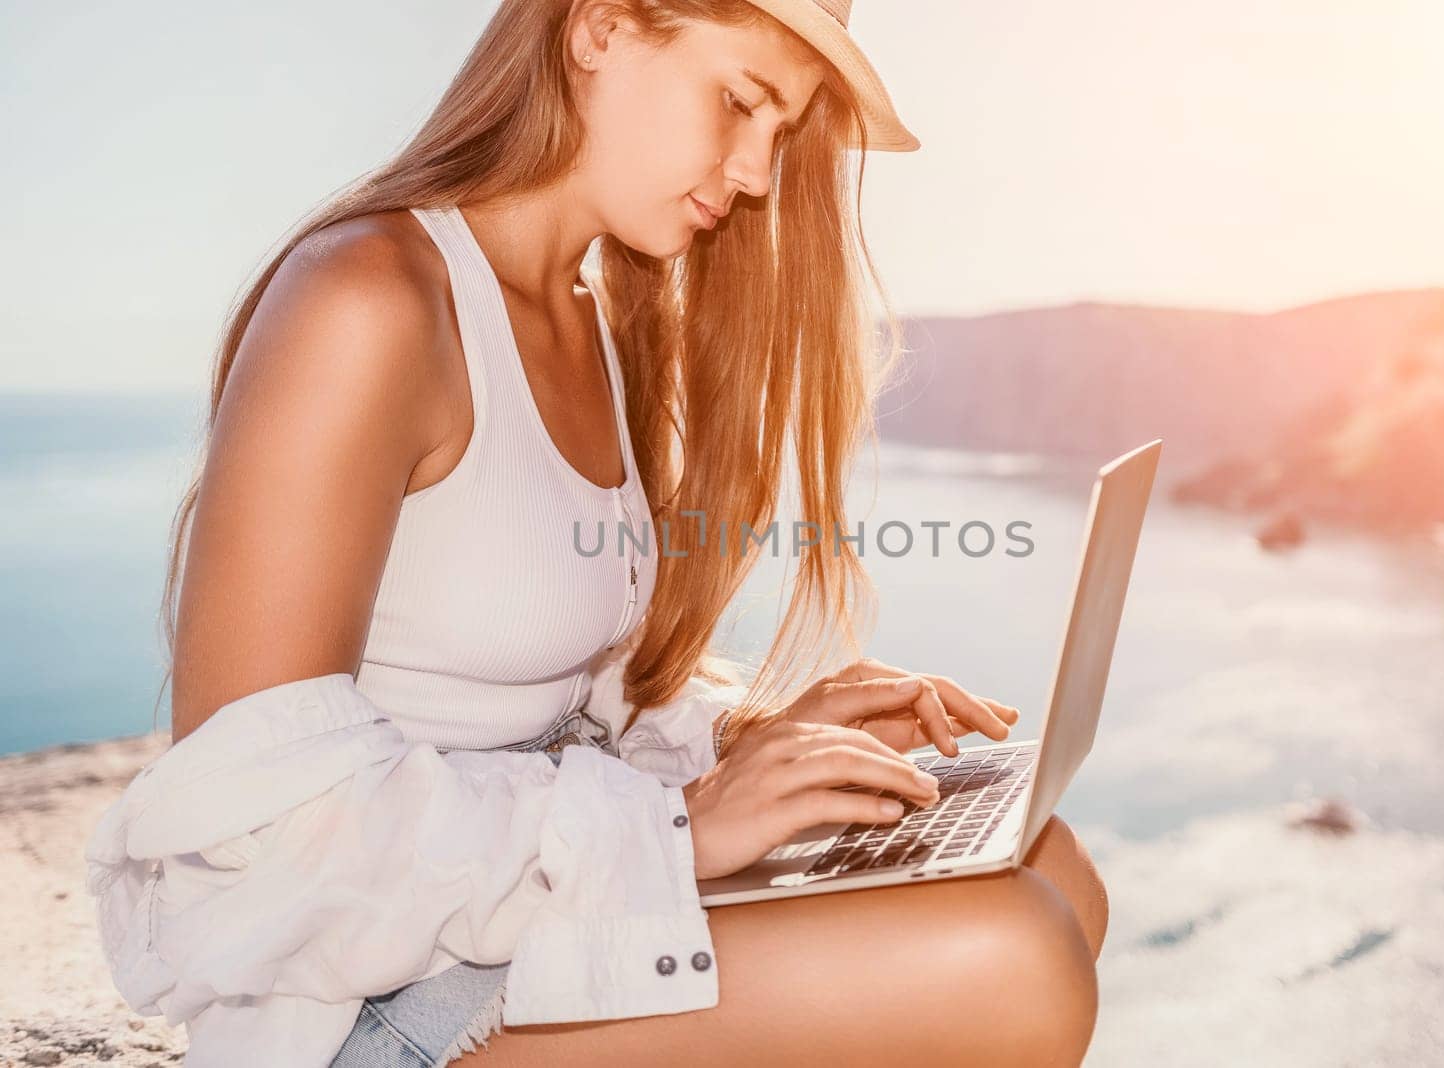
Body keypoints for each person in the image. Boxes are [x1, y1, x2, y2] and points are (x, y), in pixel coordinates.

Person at [89, 0, 1108, 1064]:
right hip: (370, 999)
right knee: (1012, 955)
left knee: (1053, 871)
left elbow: (558, 690)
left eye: (779, 129)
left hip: (524, 927)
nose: (758, 171)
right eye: (740, 101)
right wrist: (682, 829)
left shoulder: (591, 317)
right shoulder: (368, 298)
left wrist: (755, 739)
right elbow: (248, 823)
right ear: (601, 29)